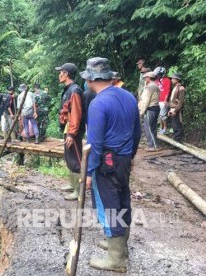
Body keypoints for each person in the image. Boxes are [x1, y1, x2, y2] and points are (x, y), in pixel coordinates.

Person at [82, 57, 141, 273]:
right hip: (124, 159)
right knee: (123, 198)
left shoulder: (98, 104)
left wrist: (89, 172)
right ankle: (119, 245)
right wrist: (131, 156)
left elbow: (94, 144)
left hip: (107, 162)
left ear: (90, 79)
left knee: (110, 206)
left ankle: (117, 260)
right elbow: (137, 132)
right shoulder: (128, 96)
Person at [55, 62, 84, 200]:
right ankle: (73, 184)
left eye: (61, 72)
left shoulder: (75, 90)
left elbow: (76, 113)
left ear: (66, 74)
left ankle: (79, 191)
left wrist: (72, 133)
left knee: (76, 160)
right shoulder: (68, 89)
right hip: (67, 127)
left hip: (73, 130)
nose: (59, 74)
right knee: (69, 157)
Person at [139, 72, 160, 151]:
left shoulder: (149, 87)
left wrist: (142, 111)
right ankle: (155, 144)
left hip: (150, 109)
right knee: (153, 128)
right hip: (156, 108)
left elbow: (145, 100)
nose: (145, 79)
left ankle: (153, 146)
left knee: (148, 128)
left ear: (149, 78)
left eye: (146, 77)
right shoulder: (156, 86)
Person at [153, 66, 171, 134]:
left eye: (158, 74)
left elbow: (167, 90)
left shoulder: (167, 80)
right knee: (159, 115)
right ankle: (161, 127)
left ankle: (165, 128)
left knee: (163, 115)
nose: (157, 76)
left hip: (163, 101)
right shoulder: (157, 81)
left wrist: (166, 100)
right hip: (157, 100)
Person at [168, 73, 185, 142]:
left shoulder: (181, 88)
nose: (171, 80)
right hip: (173, 109)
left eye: (173, 78)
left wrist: (175, 110)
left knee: (177, 126)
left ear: (177, 80)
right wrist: (171, 109)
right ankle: (176, 141)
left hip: (176, 110)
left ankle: (178, 141)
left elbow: (181, 102)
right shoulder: (175, 87)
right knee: (174, 125)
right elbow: (172, 100)